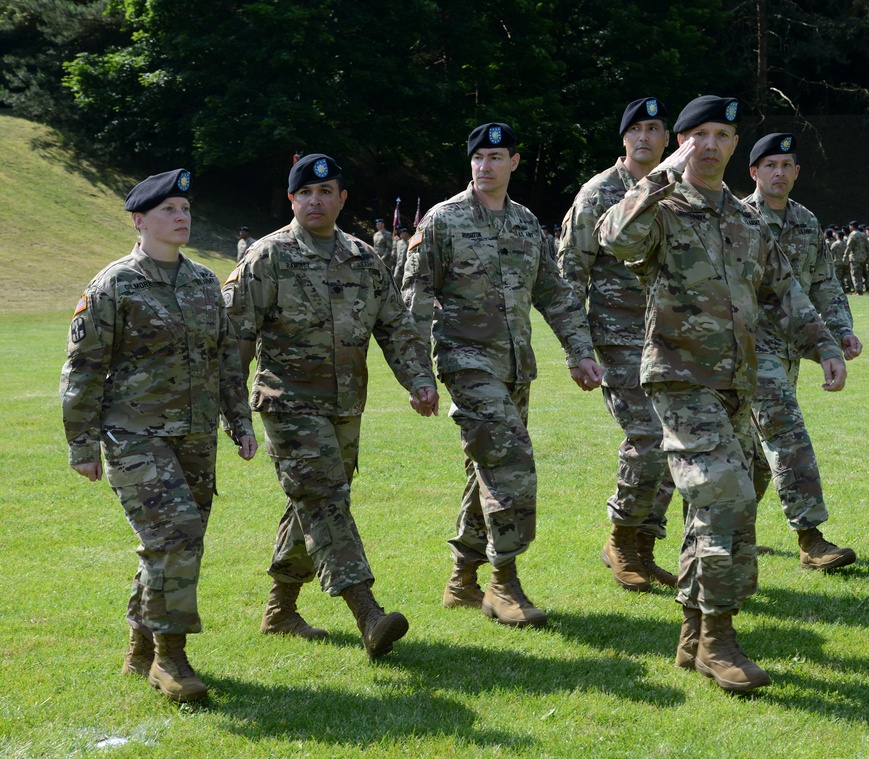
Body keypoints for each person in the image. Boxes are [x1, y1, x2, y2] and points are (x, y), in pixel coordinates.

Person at [598, 96, 846, 692]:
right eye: (698, 135)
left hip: (736, 382)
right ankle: (718, 639)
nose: (710, 145)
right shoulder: (662, 207)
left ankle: (690, 634)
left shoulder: (744, 218)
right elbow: (616, 239)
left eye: (722, 135)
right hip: (680, 380)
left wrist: (827, 345)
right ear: (681, 142)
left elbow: (784, 292)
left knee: (713, 506)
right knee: (727, 494)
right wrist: (660, 176)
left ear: (736, 146)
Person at [223, 153, 438, 659]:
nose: (315, 201)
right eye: (305, 194)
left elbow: (394, 326)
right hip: (287, 404)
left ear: (342, 199)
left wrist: (419, 380)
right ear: (292, 199)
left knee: (312, 505)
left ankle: (280, 610)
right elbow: (235, 339)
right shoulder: (266, 258)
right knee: (324, 499)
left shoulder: (365, 259)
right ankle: (368, 612)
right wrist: (232, 413)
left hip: (345, 405)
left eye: (326, 193)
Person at [60, 169, 258, 703]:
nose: (181, 218)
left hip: (195, 437)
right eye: (170, 210)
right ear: (140, 220)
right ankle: (171, 659)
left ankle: (139, 646)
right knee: (176, 537)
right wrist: (81, 444)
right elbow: (83, 368)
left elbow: (225, 362)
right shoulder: (114, 285)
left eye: (186, 210)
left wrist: (239, 421)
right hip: (134, 435)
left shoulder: (202, 283)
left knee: (168, 544)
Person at [402, 122, 602, 629]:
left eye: (496, 157)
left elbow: (554, 293)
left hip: (516, 368)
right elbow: (415, 300)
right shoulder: (443, 222)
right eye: (478, 158)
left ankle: (462, 580)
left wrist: (579, 352)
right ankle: (503, 583)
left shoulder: (525, 222)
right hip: (466, 362)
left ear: (514, 162)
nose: (485, 166)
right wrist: (416, 374)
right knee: (511, 460)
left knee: (485, 469)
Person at [556, 97, 677, 592]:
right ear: (623, 139)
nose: (645, 137)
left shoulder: (679, 188)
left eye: (655, 128)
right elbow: (568, 276)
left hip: (674, 339)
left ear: (668, 139)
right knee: (648, 435)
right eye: (636, 130)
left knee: (677, 443)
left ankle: (644, 549)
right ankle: (621, 539)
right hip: (619, 339)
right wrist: (577, 349)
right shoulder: (599, 193)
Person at [741, 132, 861, 571]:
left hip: (791, 348)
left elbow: (824, 282)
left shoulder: (806, 221)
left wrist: (842, 331)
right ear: (754, 172)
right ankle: (811, 539)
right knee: (786, 434)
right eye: (769, 165)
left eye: (786, 165)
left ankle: (731, 535)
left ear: (796, 172)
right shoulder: (738, 219)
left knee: (754, 454)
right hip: (749, 351)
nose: (779, 172)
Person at [844, 220, 868, 295]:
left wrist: (845, 256)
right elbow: (867, 246)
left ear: (852, 226)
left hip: (855, 257)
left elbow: (849, 247)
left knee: (855, 274)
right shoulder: (863, 234)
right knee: (860, 273)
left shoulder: (853, 235)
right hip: (863, 257)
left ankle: (858, 290)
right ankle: (860, 288)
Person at [830, 229, 850, 293]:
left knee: (838, 277)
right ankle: (847, 287)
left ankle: (840, 289)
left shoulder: (835, 244)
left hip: (837, 262)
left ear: (838, 236)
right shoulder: (846, 243)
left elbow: (831, 254)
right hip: (845, 261)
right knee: (846, 275)